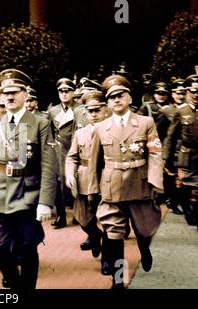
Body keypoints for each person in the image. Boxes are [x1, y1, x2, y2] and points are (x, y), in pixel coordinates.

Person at [0, 69, 56, 291]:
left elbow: (49, 164)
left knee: (28, 247)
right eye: (5, 93)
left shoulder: (40, 123)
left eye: (15, 92)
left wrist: (45, 202)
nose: (9, 97)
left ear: (25, 94)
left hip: (27, 193)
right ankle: (11, 279)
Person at [88, 75, 164, 288]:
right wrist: (93, 188)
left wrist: (156, 181)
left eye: (120, 95)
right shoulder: (101, 128)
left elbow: (156, 153)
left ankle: (144, 248)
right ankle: (118, 279)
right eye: (111, 98)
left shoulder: (145, 123)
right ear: (108, 103)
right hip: (112, 188)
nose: (116, 100)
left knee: (144, 230)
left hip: (139, 186)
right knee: (115, 235)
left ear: (130, 98)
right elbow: (95, 162)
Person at [65, 90, 111, 276]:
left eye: (97, 110)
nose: (93, 114)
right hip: (84, 181)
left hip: (107, 179)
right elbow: (72, 157)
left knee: (110, 222)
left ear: (105, 110)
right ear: (85, 113)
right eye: (90, 111)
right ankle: (95, 236)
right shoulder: (81, 133)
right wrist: (69, 174)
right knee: (84, 220)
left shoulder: (111, 131)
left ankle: (108, 260)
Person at [163, 74, 198, 229]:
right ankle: (187, 208)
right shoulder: (181, 112)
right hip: (186, 156)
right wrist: (165, 159)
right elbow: (170, 137)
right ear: (187, 92)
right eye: (193, 91)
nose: (196, 95)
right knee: (185, 188)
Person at [48, 77, 81, 228]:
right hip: (58, 151)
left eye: (67, 91)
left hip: (75, 149)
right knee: (57, 184)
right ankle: (61, 216)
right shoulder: (53, 110)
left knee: (77, 183)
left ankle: (78, 214)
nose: (64, 94)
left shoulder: (80, 109)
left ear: (73, 92)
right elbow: (50, 132)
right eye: (61, 91)